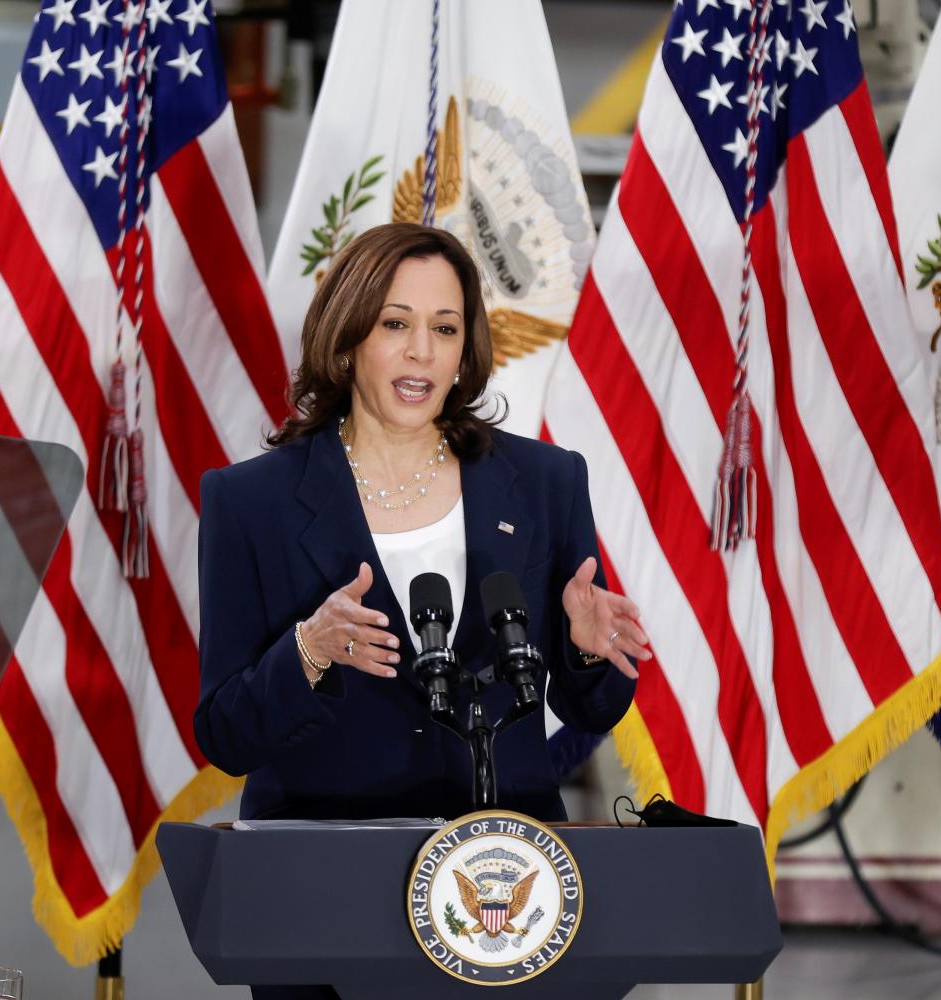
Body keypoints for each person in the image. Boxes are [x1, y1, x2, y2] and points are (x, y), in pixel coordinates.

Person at [193, 223, 647, 997]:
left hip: (504, 892)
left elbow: (588, 708)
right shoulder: (249, 503)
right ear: (346, 341)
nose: (422, 352)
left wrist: (585, 651)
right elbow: (226, 735)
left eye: (445, 329)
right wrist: (306, 650)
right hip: (321, 894)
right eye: (395, 324)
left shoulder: (543, 483)